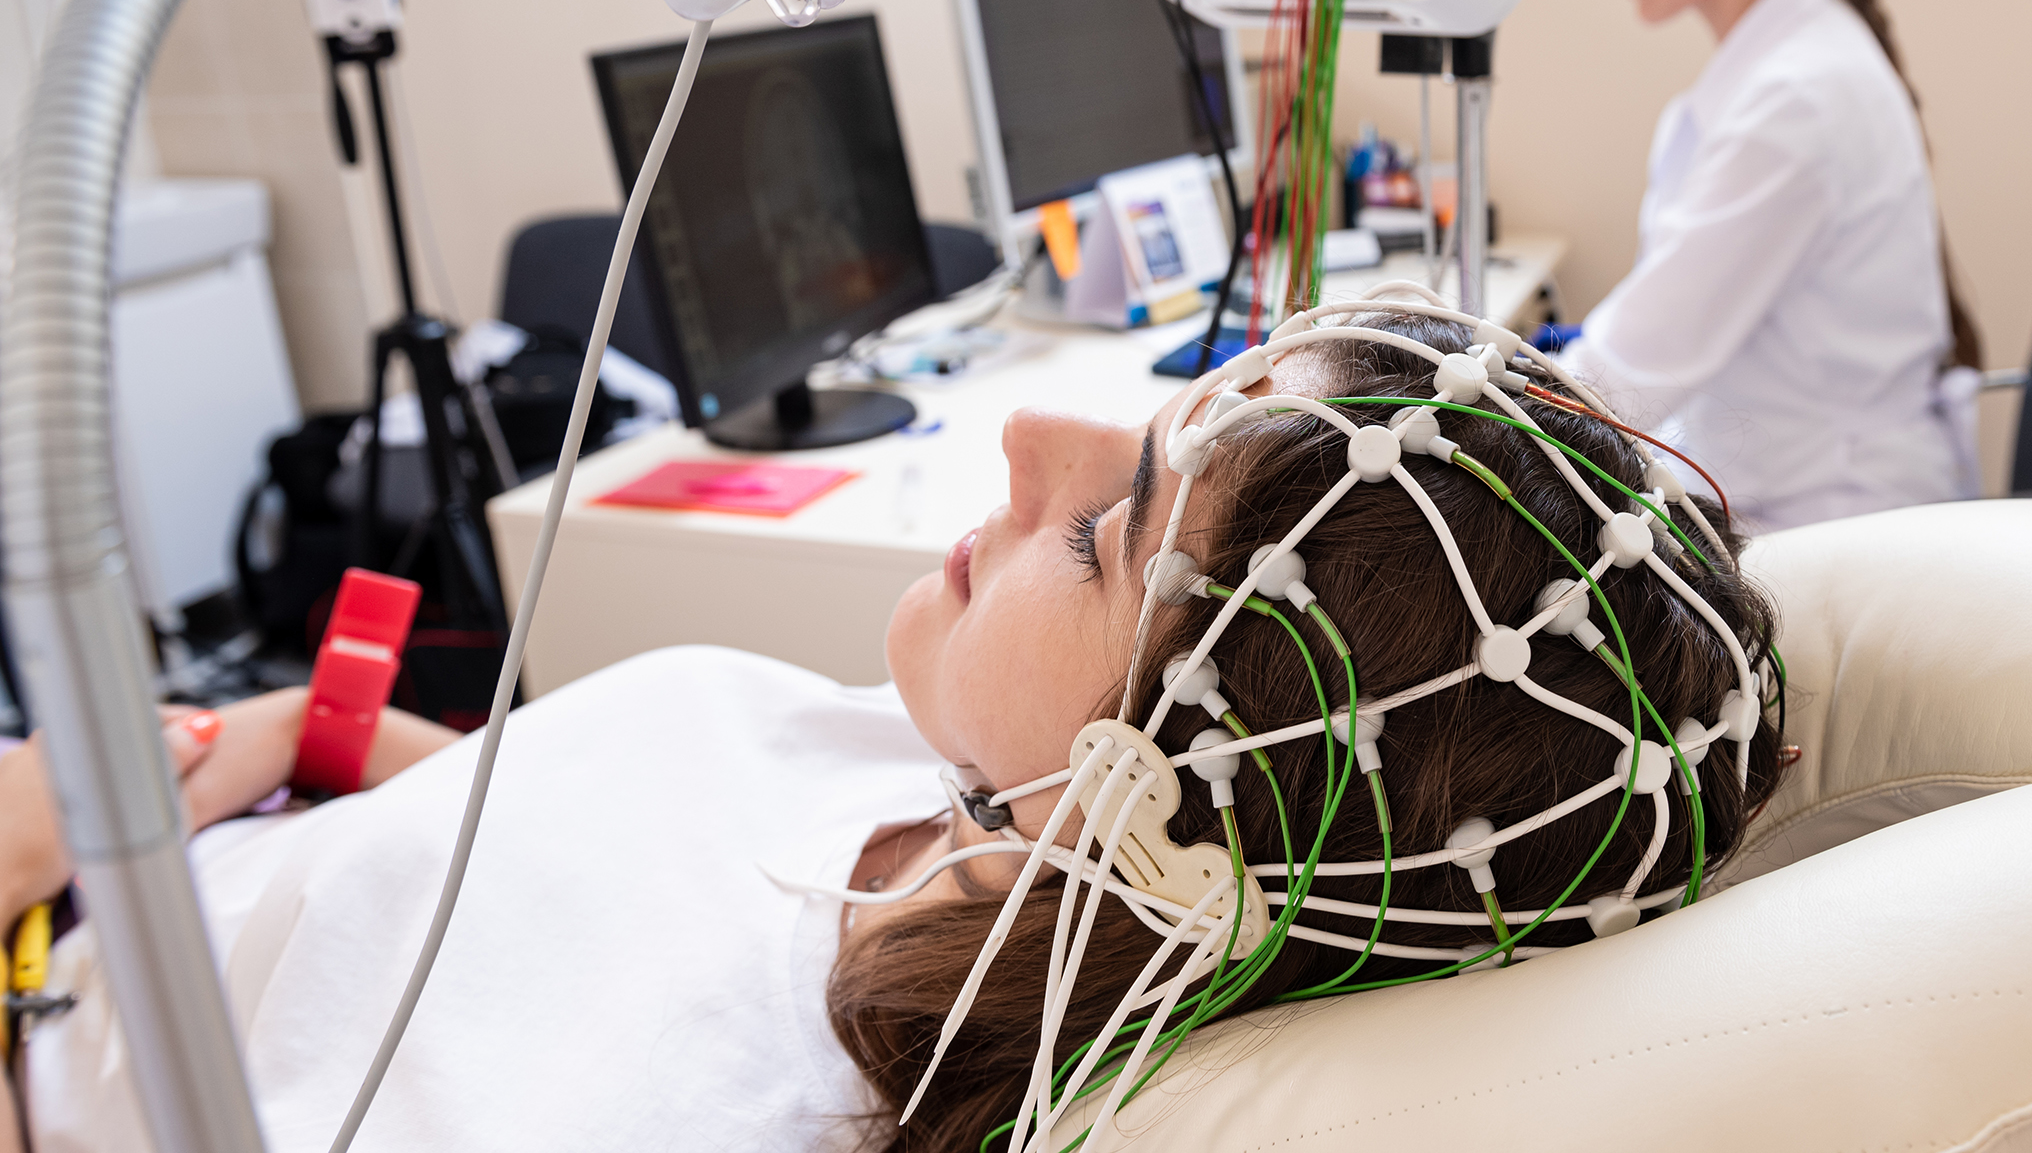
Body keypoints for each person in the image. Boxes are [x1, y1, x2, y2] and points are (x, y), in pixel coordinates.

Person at [0, 313, 1781, 1153]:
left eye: (1106, 536)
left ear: (1158, 807)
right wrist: (261, 741)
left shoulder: (675, 1108)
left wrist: (47, 889)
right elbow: (520, 848)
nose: (1032, 452)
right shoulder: (960, 804)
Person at [1558, 0, 1984, 532]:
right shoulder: (1790, 69)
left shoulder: (1796, 103)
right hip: (1787, 502)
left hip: (1837, 538)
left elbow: (1619, 386)